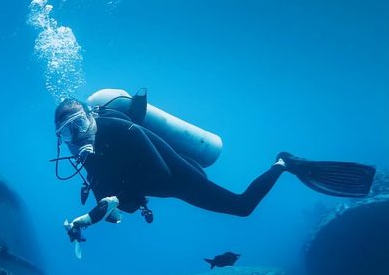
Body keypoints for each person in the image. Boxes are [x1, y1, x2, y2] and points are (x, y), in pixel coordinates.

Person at [53, 92, 375, 251]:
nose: (78, 135)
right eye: (68, 132)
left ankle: (283, 163)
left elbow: (162, 176)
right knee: (240, 208)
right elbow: (116, 209)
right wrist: (95, 215)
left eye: (80, 123)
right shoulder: (87, 158)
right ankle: (283, 164)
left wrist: (118, 198)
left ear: (91, 117)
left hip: (182, 178)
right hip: (159, 187)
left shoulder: (125, 131)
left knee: (243, 207)